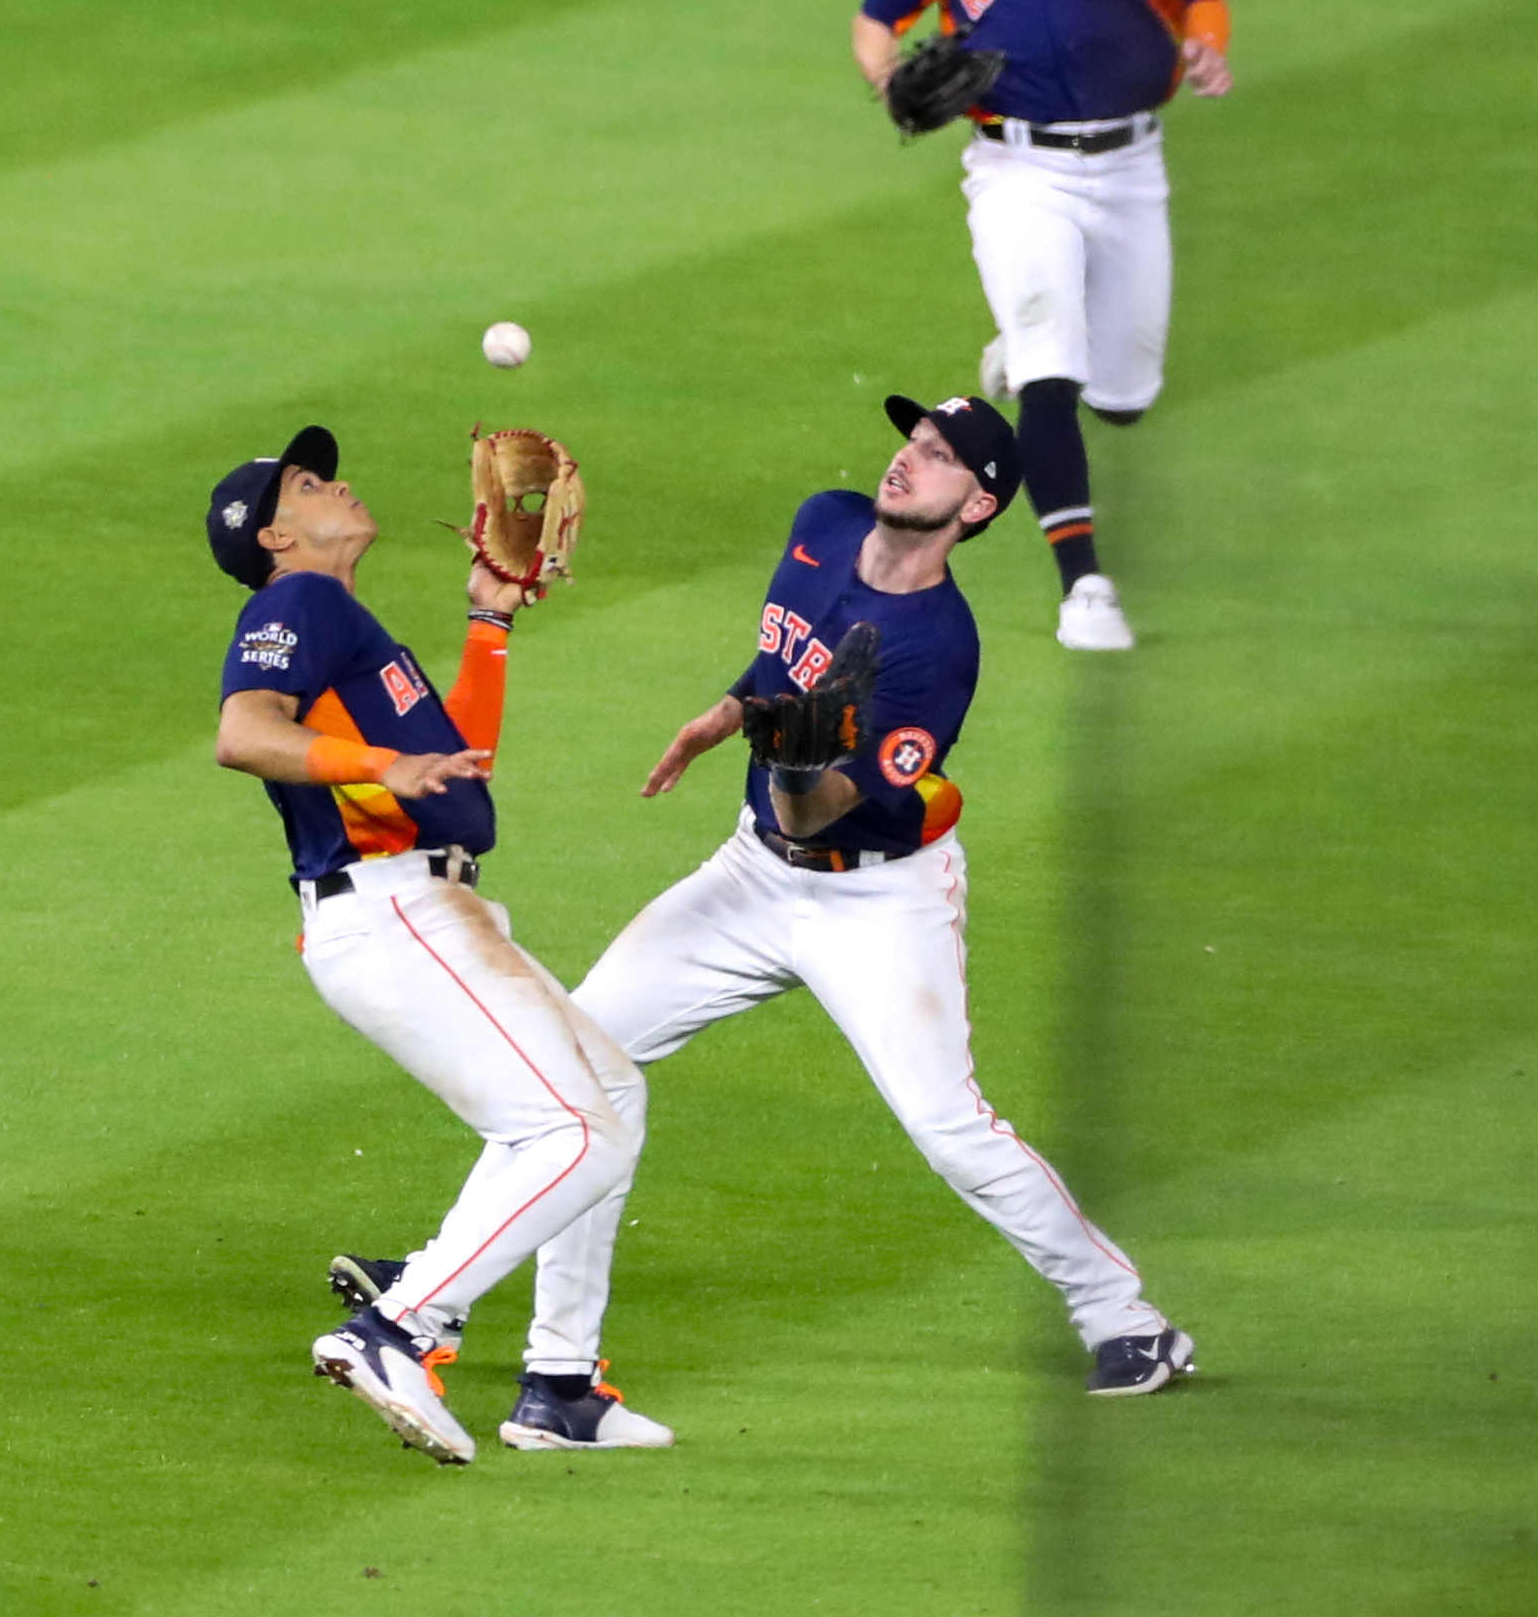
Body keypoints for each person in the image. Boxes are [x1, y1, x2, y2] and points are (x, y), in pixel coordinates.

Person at [334, 397, 1193, 1394]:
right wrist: (731, 711)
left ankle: (1122, 1315)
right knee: (573, 1063)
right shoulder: (822, 523)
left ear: (980, 505)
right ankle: (439, 1288)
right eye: (910, 440)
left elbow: (817, 811)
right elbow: (778, 659)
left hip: (875, 902)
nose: (906, 460)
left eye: (940, 457)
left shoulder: (936, 649)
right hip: (749, 875)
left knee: (946, 1124)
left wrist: (790, 757)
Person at [209, 425, 673, 1463]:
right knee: (572, 1133)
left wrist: (487, 619)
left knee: (611, 1093)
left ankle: (559, 1385)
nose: (336, 478)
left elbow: (456, 765)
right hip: (390, 912)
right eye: (306, 481)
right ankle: (397, 1327)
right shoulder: (296, 601)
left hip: (431, 908)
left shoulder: (348, 621)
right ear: (276, 534)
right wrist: (376, 760)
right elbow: (243, 731)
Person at [853, 0, 1242, 651]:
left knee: (1124, 394)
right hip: (1015, 168)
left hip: (1130, 166)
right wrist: (889, 78)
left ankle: (1020, 353)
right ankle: (1085, 591)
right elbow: (876, 23)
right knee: (1050, 375)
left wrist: (1205, 46)